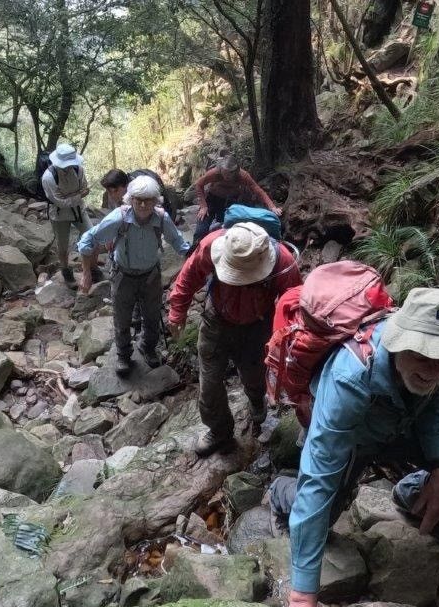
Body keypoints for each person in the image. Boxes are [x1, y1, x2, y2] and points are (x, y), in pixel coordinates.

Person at [272, 288, 439, 607]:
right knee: (320, 513)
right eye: (422, 356)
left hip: (401, 425)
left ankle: (408, 493)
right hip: (350, 437)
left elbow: (433, 409)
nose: (434, 370)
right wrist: (303, 598)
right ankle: (279, 490)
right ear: (398, 342)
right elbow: (318, 480)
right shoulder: (348, 378)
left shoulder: (435, 358)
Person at [168, 222, 301, 456]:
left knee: (254, 373)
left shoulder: (282, 261)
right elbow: (190, 275)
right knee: (209, 384)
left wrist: (290, 340)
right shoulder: (212, 246)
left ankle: (257, 404)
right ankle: (219, 432)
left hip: (259, 324)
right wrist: (177, 310)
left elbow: (294, 303)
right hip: (216, 318)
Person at [77, 175, 190, 375]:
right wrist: (86, 273)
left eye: (149, 200)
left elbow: (179, 244)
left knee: (152, 316)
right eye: (139, 200)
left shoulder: (162, 218)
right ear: (130, 199)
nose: (144, 205)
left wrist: (194, 264)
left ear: (156, 201)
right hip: (123, 275)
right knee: (122, 318)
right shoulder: (119, 218)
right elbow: (88, 239)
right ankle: (123, 354)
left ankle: (147, 347)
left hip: (151, 275)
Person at [191, 154, 282, 246]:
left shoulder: (243, 175)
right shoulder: (214, 173)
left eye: (229, 174)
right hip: (211, 199)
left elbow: (258, 190)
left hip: (230, 202)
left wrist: (272, 207)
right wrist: (203, 206)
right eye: (224, 172)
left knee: (227, 230)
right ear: (220, 169)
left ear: (235, 171)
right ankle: (193, 251)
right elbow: (199, 184)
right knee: (200, 231)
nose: (226, 176)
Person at [41, 142, 92, 288]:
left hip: (78, 211)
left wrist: (71, 196)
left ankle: (90, 268)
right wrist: (77, 195)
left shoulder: (78, 169)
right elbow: (60, 202)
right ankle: (66, 271)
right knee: (62, 246)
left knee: (91, 235)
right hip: (59, 215)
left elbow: (84, 187)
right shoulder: (48, 177)